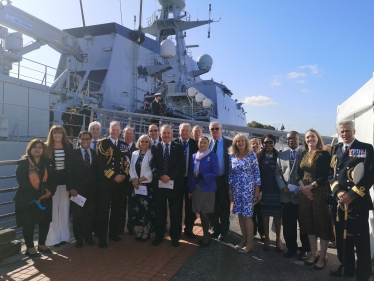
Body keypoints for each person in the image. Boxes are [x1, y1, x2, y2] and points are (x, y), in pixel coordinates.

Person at [329, 120, 374, 279]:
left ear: (354, 131)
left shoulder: (365, 148)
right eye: (342, 131)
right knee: (342, 240)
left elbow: (369, 175)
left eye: (347, 131)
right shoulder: (336, 150)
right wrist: (338, 192)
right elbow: (331, 175)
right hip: (340, 202)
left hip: (358, 203)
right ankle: (346, 269)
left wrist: (352, 195)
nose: (344, 134)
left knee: (360, 242)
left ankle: (363, 274)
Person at [295, 129, 332, 270]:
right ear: (305, 140)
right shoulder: (303, 153)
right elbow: (297, 173)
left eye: (313, 136)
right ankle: (313, 252)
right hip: (304, 193)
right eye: (308, 137)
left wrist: (311, 186)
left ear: (317, 138)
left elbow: (325, 175)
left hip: (319, 193)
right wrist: (304, 188)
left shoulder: (323, 155)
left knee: (321, 224)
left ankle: (323, 256)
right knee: (309, 223)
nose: (310, 139)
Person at [14, 139, 56, 257]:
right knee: (29, 223)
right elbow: (22, 181)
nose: (37, 149)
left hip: (45, 197)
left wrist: (50, 191)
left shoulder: (48, 162)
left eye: (40, 147)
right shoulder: (23, 163)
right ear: (30, 149)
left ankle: (42, 244)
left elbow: (54, 179)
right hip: (28, 198)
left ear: (43, 150)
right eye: (35, 147)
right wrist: (37, 194)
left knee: (45, 222)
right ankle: (30, 248)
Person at [276, 131, 310, 259]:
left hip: (301, 196)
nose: (291, 140)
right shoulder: (281, 155)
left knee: (304, 225)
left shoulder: (306, 154)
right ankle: (291, 247)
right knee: (288, 225)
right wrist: (283, 188)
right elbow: (278, 174)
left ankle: (305, 249)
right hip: (286, 196)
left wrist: (298, 191)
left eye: (294, 138)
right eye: (288, 138)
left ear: (299, 139)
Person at [97, 121, 130, 248]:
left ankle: (113, 234)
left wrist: (123, 175)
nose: (115, 132)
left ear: (120, 131)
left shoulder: (123, 145)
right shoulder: (103, 143)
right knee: (104, 211)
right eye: (113, 129)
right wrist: (113, 176)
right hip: (106, 183)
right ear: (109, 130)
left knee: (117, 209)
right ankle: (102, 238)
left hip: (119, 184)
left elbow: (127, 162)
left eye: (118, 130)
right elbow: (101, 164)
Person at [151, 124, 185, 247]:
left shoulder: (179, 147)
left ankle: (175, 237)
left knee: (175, 212)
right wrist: (161, 176)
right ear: (160, 134)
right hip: (159, 185)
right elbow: (152, 164)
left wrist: (169, 176)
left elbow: (181, 164)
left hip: (174, 185)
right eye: (164, 133)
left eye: (168, 133)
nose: (166, 135)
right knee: (160, 212)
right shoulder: (155, 147)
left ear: (172, 134)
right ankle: (159, 236)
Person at [228, 134, 261, 253]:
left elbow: (257, 173)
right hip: (236, 189)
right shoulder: (232, 155)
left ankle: (250, 243)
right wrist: (230, 190)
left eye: (242, 141)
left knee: (247, 215)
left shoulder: (251, 154)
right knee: (240, 215)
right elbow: (230, 174)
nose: (240, 143)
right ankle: (244, 239)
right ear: (235, 143)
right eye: (238, 141)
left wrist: (257, 189)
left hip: (248, 189)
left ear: (246, 143)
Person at [66, 131, 99, 248]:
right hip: (77, 191)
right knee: (78, 216)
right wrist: (71, 188)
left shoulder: (94, 153)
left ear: (91, 140)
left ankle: (88, 237)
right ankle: (78, 239)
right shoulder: (72, 154)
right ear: (79, 140)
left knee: (89, 215)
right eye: (83, 139)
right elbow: (68, 173)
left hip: (91, 190)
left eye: (87, 139)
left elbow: (96, 172)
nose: (85, 141)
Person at [44, 125, 73, 247]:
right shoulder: (46, 147)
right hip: (52, 183)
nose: (57, 135)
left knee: (64, 209)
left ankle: (65, 236)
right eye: (55, 133)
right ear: (51, 134)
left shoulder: (69, 146)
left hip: (65, 182)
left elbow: (71, 166)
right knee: (53, 211)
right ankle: (53, 238)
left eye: (59, 133)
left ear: (63, 134)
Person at [188, 136, 219, 247]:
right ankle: (205, 235)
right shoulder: (193, 156)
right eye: (201, 142)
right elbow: (191, 174)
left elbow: (216, 172)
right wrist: (190, 188)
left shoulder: (213, 156)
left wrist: (202, 176)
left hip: (208, 188)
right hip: (197, 188)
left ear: (208, 144)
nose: (202, 144)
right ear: (198, 143)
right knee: (200, 213)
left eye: (205, 142)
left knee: (205, 213)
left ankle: (206, 237)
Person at [258, 134, 283, 252]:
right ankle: (267, 239)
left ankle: (278, 239)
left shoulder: (280, 156)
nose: (268, 145)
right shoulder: (259, 156)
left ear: (274, 143)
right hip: (265, 190)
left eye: (270, 142)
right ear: (263, 144)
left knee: (278, 216)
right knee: (265, 215)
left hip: (276, 190)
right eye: (266, 142)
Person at [174, 123, 199, 238]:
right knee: (176, 206)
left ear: (190, 132)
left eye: (186, 131)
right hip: (177, 180)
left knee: (190, 207)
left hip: (190, 180)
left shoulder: (195, 144)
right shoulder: (174, 143)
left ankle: (189, 229)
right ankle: (177, 229)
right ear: (179, 131)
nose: (184, 133)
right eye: (182, 130)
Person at [208, 122, 232, 241]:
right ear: (209, 131)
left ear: (221, 130)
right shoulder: (207, 143)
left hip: (223, 179)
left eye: (217, 128)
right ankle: (214, 227)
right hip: (210, 181)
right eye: (212, 129)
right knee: (212, 205)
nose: (215, 131)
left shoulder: (229, 143)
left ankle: (224, 230)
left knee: (224, 206)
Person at [129, 135, 154, 241]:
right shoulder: (134, 153)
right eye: (142, 141)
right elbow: (131, 169)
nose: (144, 143)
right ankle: (139, 230)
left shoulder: (151, 154)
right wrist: (134, 180)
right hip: (136, 186)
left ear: (149, 143)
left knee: (146, 209)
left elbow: (152, 170)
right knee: (137, 208)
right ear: (139, 142)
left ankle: (146, 231)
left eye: (146, 142)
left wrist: (140, 180)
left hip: (146, 185)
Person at [120, 125, 138, 235]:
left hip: (133, 181)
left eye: (131, 133)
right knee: (121, 204)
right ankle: (120, 226)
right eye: (127, 133)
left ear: (134, 135)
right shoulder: (118, 146)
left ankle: (131, 225)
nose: (129, 135)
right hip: (121, 180)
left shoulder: (138, 148)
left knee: (132, 204)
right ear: (123, 135)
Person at [250, 138, 265, 242]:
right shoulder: (248, 156)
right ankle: (253, 232)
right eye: (252, 144)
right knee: (251, 213)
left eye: (257, 144)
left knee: (260, 213)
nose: (254, 146)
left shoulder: (263, 157)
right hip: (249, 189)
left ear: (260, 146)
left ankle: (262, 233)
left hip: (261, 189)